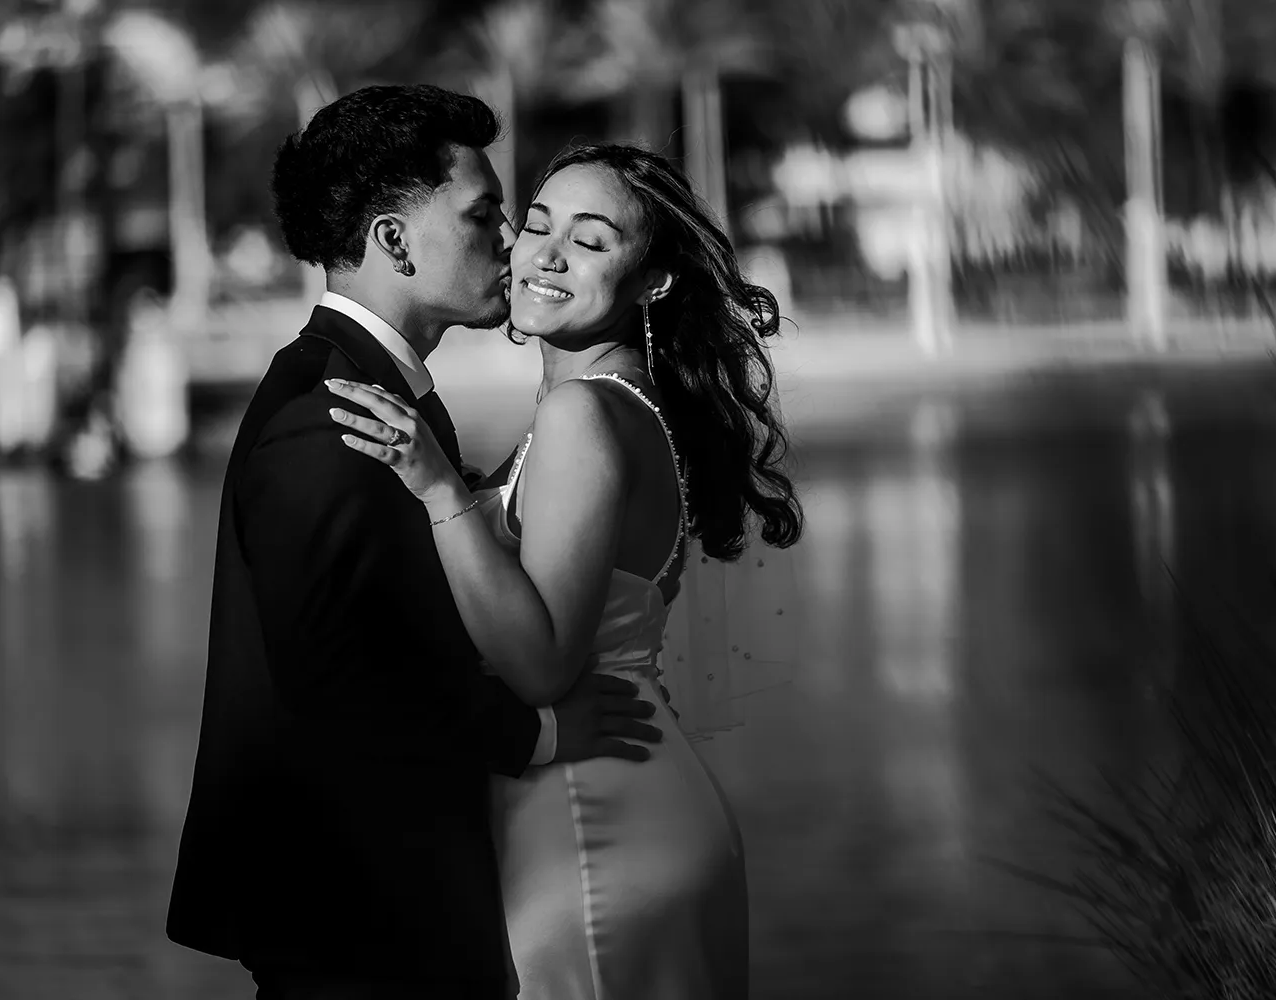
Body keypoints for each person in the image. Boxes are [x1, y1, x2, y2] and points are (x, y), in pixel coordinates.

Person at [165, 86, 665, 1000]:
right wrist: (538, 735)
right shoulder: (327, 414)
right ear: (395, 241)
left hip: (393, 905)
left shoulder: (375, 393)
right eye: (484, 216)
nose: (511, 241)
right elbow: (337, 675)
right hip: (354, 916)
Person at [325, 141, 804, 999]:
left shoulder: (585, 413)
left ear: (654, 280)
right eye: (535, 225)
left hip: (594, 820)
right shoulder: (623, 408)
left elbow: (541, 664)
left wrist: (436, 485)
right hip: (631, 802)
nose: (543, 254)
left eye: (589, 240)